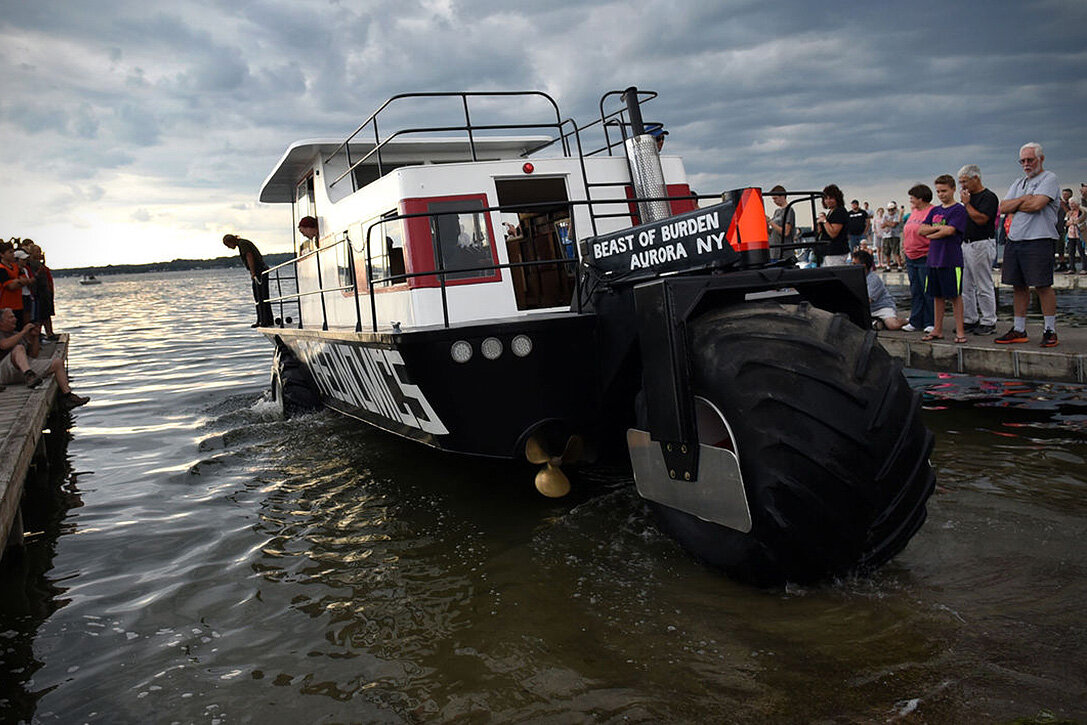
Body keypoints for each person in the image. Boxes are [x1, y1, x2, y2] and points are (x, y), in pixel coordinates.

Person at [996, 142, 1061, 348]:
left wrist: (1018, 203)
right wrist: (1024, 199)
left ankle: (1050, 329)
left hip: (1039, 239)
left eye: (1030, 160)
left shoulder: (1049, 179)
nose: (1026, 164)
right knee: (1018, 285)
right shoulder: (1018, 183)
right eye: (1022, 161)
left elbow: (1037, 205)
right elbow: (1003, 206)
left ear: (1040, 159)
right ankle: (1019, 328)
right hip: (1015, 240)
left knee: (1042, 285)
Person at [0, 307, 89, 408]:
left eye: (14, 317)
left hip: (21, 370)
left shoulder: (17, 334)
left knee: (57, 363)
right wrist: (23, 332)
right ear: (1, 322)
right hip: (3, 372)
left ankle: (68, 396)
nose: (15, 319)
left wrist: (35, 337)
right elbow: (4, 345)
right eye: (11, 317)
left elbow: (34, 355)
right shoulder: (6, 334)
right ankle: (29, 375)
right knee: (19, 348)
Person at [918, 175, 967, 343]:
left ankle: (960, 331)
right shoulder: (935, 210)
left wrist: (933, 233)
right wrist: (938, 230)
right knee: (936, 296)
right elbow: (921, 230)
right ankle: (937, 329)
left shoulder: (958, 209)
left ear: (953, 189)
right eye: (938, 191)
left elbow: (950, 231)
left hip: (951, 260)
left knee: (955, 296)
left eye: (944, 191)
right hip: (933, 260)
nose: (941, 194)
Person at [957, 165, 999, 335]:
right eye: (960, 183)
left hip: (981, 243)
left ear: (976, 178)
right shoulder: (967, 198)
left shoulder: (988, 197)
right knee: (965, 285)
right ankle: (970, 318)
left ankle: (989, 320)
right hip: (965, 243)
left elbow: (981, 219)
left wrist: (967, 205)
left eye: (965, 182)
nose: (963, 186)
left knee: (983, 284)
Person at [901, 184, 935, 333]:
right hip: (910, 256)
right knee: (915, 290)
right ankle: (916, 320)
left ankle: (930, 321)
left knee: (927, 290)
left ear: (921, 198)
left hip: (924, 256)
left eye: (912, 198)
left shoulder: (932, 211)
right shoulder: (914, 212)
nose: (910, 200)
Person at [222, 234, 274, 327]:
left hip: (259, 271)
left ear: (231, 242)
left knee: (261, 296)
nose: (229, 248)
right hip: (260, 270)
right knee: (259, 296)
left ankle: (265, 320)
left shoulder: (243, 244)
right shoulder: (242, 243)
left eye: (228, 245)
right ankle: (262, 320)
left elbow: (249, 256)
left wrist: (253, 272)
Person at [852, 249, 906, 330]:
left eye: (854, 264)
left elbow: (868, 300)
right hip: (867, 310)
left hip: (882, 307)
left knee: (893, 325)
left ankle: (907, 321)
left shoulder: (873, 279)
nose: (852, 266)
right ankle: (876, 322)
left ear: (863, 265)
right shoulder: (854, 277)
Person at [815, 184, 850, 266]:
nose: (828, 201)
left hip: (836, 253)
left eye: (831, 198)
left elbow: (833, 233)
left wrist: (824, 221)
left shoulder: (839, 211)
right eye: (826, 198)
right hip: (829, 253)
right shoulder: (831, 212)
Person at [0, 241, 30, 328]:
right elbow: (11, 286)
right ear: (2, 254)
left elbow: (26, 280)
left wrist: (16, 281)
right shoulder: (1, 269)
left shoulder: (16, 267)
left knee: (20, 327)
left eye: (13, 251)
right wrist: (19, 281)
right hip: (5, 306)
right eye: (10, 252)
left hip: (18, 304)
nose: (13, 254)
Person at [766, 185, 795, 261]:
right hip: (774, 252)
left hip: (784, 254)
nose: (774, 201)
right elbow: (771, 232)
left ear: (782, 196)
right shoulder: (777, 211)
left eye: (775, 198)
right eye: (773, 199)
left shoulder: (789, 210)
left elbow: (786, 232)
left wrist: (770, 222)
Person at [1066, 199, 1086, 274]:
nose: (1071, 205)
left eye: (1073, 203)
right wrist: (1070, 222)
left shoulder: (1082, 212)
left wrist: (1074, 222)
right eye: (1070, 204)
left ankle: (1084, 268)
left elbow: (1081, 221)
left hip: (1080, 234)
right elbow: (1066, 222)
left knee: (1081, 251)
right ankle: (1071, 268)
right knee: (1071, 252)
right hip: (1071, 234)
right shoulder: (1069, 213)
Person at [881, 201, 903, 270]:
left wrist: (887, 223)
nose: (890, 211)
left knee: (896, 251)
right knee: (887, 252)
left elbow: (894, 225)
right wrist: (889, 223)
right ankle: (888, 266)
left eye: (892, 209)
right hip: (886, 236)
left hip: (895, 235)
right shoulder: (885, 215)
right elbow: (882, 225)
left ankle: (899, 265)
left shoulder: (897, 215)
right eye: (889, 210)